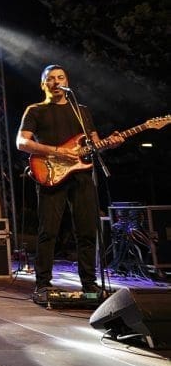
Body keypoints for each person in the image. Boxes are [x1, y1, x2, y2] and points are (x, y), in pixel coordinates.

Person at [16, 64, 122, 301]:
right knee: (48, 231)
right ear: (43, 84)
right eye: (51, 78)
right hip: (50, 174)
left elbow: (94, 143)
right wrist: (57, 151)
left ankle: (90, 285)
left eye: (60, 78)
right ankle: (43, 284)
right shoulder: (36, 110)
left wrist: (111, 143)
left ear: (67, 82)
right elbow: (22, 143)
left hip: (82, 176)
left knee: (87, 231)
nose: (56, 82)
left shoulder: (81, 111)